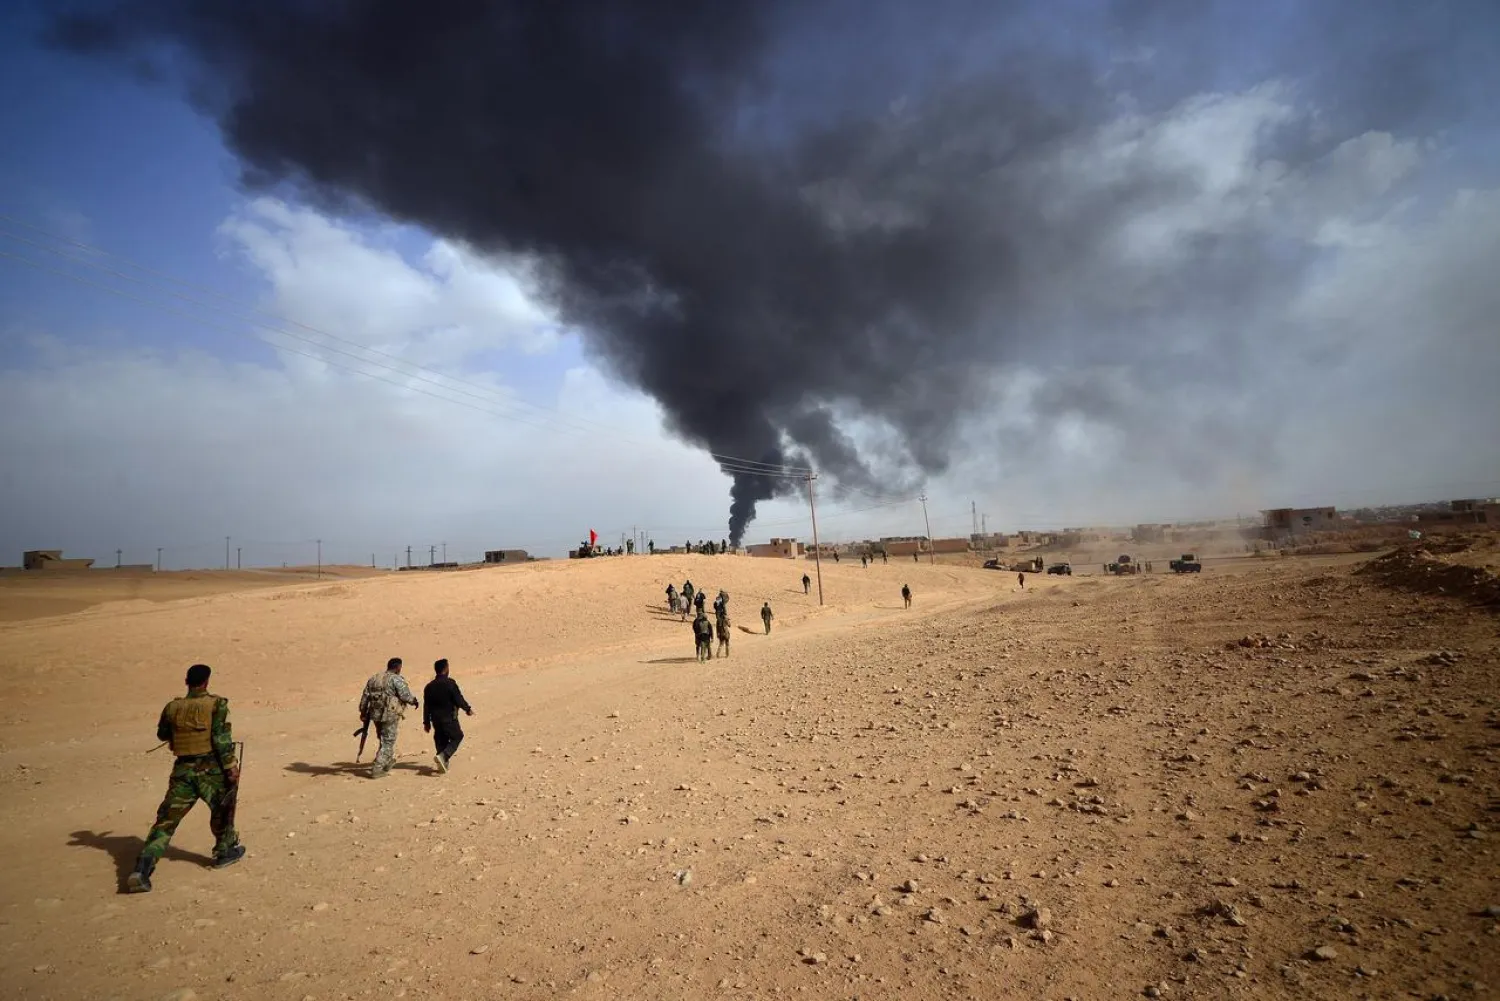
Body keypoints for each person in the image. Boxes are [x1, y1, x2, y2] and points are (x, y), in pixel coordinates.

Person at [126, 663, 244, 893]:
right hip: (211, 770)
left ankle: (142, 869)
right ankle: (224, 852)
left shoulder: (173, 707)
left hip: (182, 772)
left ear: (186, 681)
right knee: (223, 809)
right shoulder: (216, 704)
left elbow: (162, 733)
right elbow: (221, 739)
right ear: (207, 681)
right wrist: (231, 767)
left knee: (166, 821)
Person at [359, 657, 419, 779]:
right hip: (390, 715)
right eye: (400, 667)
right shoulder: (396, 679)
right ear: (398, 667)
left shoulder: (374, 679)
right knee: (388, 741)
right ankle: (377, 767)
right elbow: (405, 695)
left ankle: (387, 760)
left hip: (375, 715)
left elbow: (365, 697)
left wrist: (363, 712)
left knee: (383, 738)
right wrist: (414, 701)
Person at [423, 658, 473, 774]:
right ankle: (444, 755)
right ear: (445, 669)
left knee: (441, 740)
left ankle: (443, 764)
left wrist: (426, 722)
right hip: (449, 718)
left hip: (435, 719)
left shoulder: (429, 686)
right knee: (457, 736)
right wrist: (467, 709)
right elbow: (458, 698)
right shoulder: (450, 683)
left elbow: (426, 706)